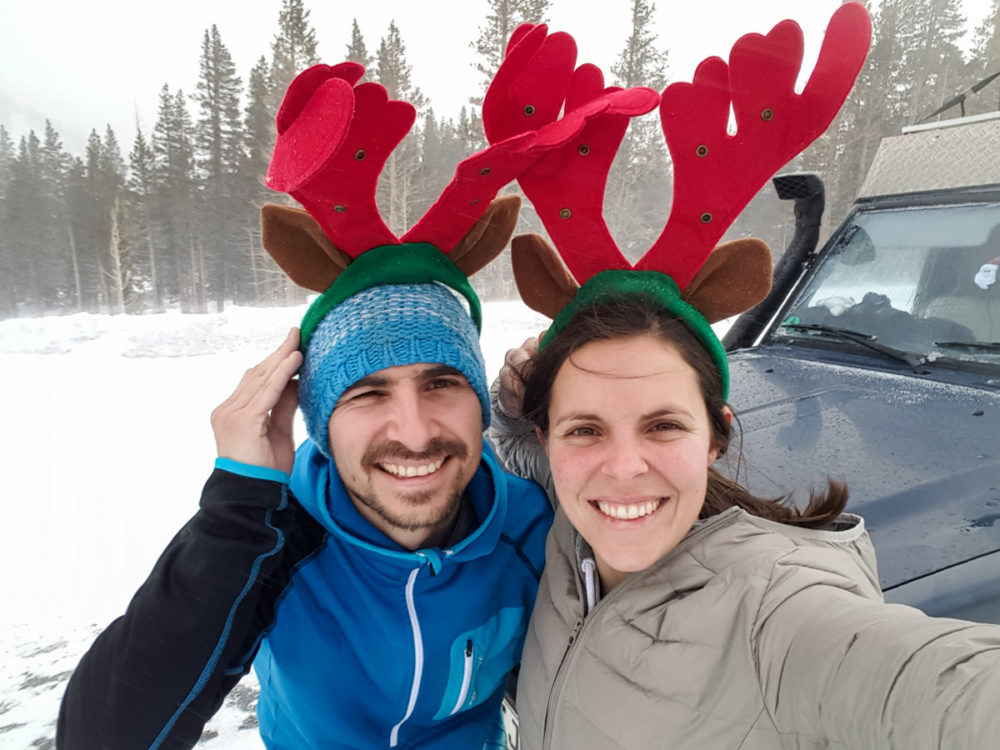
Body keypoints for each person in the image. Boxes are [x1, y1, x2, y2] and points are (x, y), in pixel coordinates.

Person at [56, 58, 560, 750]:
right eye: (366, 392)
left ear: (478, 399)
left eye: (442, 384)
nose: (413, 432)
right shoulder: (277, 537)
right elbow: (105, 735)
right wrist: (236, 508)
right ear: (316, 415)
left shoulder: (527, 526)